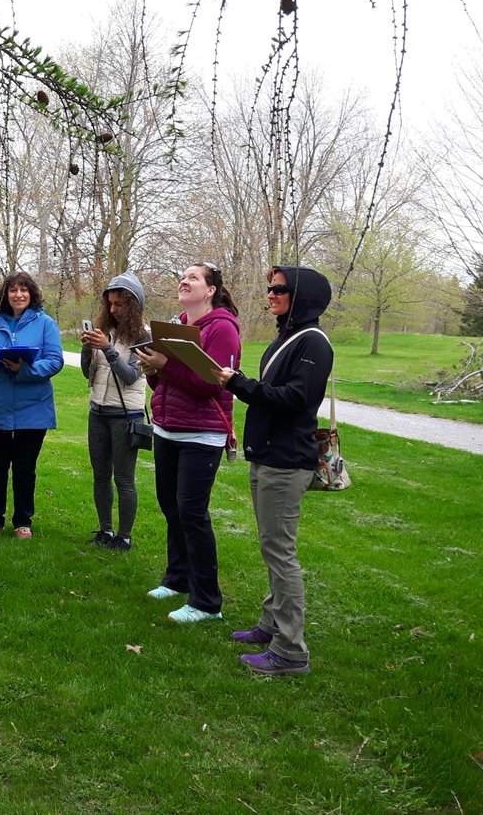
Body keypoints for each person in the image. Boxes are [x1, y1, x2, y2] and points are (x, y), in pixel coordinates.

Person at [215, 265, 333, 676]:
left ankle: (290, 650)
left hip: (286, 463)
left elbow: (295, 399)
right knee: (272, 547)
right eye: (269, 287)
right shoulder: (288, 336)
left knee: (281, 553)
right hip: (267, 456)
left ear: (302, 296)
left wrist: (239, 384)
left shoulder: (314, 342)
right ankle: (271, 624)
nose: (270, 294)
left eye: (279, 289)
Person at [136, 262, 241, 625]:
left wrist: (166, 366)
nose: (184, 280)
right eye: (183, 275)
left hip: (201, 434)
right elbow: (170, 385)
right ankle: (177, 578)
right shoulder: (179, 326)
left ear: (210, 289)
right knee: (172, 508)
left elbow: (213, 384)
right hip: (168, 429)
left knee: (193, 514)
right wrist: (155, 371)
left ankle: (207, 601)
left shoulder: (222, 328)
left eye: (193, 277)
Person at [0, 271, 65, 538]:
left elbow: (54, 361)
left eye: (23, 289)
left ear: (32, 293)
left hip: (33, 408)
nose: (18, 295)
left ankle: (23, 519)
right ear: (6, 295)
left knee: (25, 468)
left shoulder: (45, 323)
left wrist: (24, 369)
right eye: (13, 290)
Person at [80, 271, 151, 551]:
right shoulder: (104, 332)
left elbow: (130, 375)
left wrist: (107, 349)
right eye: (110, 304)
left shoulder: (144, 336)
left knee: (123, 479)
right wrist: (88, 350)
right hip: (98, 411)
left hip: (126, 416)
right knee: (100, 476)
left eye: (120, 304)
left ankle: (124, 536)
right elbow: (89, 373)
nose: (113, 309)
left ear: (133, 305)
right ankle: (105, 531)